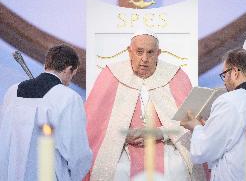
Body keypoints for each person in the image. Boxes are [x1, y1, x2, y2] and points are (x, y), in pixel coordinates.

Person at [84, 30, 207, 181]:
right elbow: (94, 124)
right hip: (122, 147)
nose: (144, 59)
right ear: (129, 51)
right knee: (116, 171)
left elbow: (192, 120)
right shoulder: (111, 74)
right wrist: (121, 134)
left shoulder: (175, 75)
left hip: (166, 144)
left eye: (150, 52)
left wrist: (161, 132)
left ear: (158, 53)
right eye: (139, 52)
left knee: (178, 168)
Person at [180, 48, 246, 181]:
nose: (224, 81)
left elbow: (203, 151)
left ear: (235, 72)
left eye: (224, 74)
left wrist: (196, 127)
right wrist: (211, 128)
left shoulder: (230, 100)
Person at [0, 44, 92, 181]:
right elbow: (78, 154)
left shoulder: (12, 92)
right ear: (69, 69)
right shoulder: (69, 98)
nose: (70, 80)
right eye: (73, 74)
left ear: (46, 65)